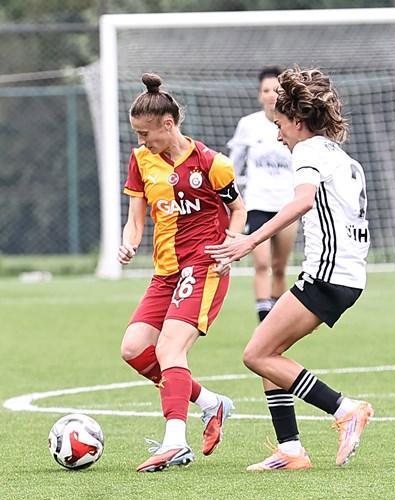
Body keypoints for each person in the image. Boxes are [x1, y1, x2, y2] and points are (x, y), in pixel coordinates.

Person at [206, 66, 374, 471]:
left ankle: (345, 409)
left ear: (298, 122)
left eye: (280, 125)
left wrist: (250, 240)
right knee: (269, 350)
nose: (278, 134)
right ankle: (291, 449)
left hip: (327, 276)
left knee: (256, 354)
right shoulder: (337, 153)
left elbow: (302, 201)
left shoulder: (308, 151)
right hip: (345, 276)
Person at [118, 72, 247, 473]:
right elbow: (135, 218)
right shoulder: (141, 160)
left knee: (169, 349)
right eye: (137, 134)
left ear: (168, 124)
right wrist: (129, 242)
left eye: (145, 133)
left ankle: (175, 441)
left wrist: (232, 244)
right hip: (165, 271)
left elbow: (238, 209)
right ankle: (211, 403)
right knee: (133, 349)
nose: (141, 141)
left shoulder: (212, 164)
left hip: (204, 266)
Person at [228, 66, 297, 323]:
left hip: (287, 205)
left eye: (276, 90)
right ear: (259, 95)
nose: (271, 95)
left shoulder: (295, 124)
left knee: (279, 267)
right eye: (266, 90)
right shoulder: (248, 125)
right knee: (262, 263)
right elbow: (233, 166)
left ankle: (276, 321)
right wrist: (229, 198)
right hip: (257, 204)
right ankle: (264, 321)